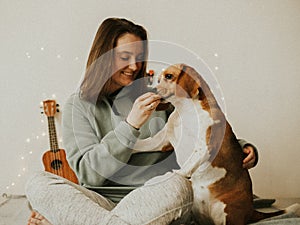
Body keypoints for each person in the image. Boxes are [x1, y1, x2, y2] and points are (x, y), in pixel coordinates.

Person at [26, 17, 258, 225]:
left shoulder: (159, 92)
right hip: (100, 202)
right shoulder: (77, 106)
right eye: (125, 57)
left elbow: (201, 123)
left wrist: (240, 147)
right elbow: (89, 175)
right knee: (37, 183)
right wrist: (130, 126)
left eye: (139, 58)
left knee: (178, 183)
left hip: (160, 197)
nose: (135, 66)